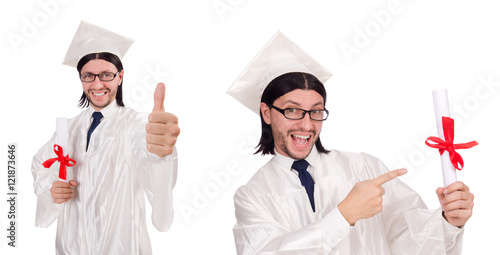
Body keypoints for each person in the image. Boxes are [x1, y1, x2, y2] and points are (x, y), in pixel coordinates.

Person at [227, 31, 474, 254]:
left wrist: (449, 221)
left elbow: (408, 239)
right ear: (267, 113)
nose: (306, 124)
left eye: (316, 111)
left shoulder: (363, 169)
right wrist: (343, 216)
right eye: (292, 110)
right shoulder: (253, 196)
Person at [31, 21, 180, 255]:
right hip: (71, 247)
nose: (97, 84)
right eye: (88, 76)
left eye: (106, 75)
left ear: (120, 77)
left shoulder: (136, 125)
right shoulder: (67, 129)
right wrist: (52, 188)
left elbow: (149, 160)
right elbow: (42, 165)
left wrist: (160, 155)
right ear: (80, 78)